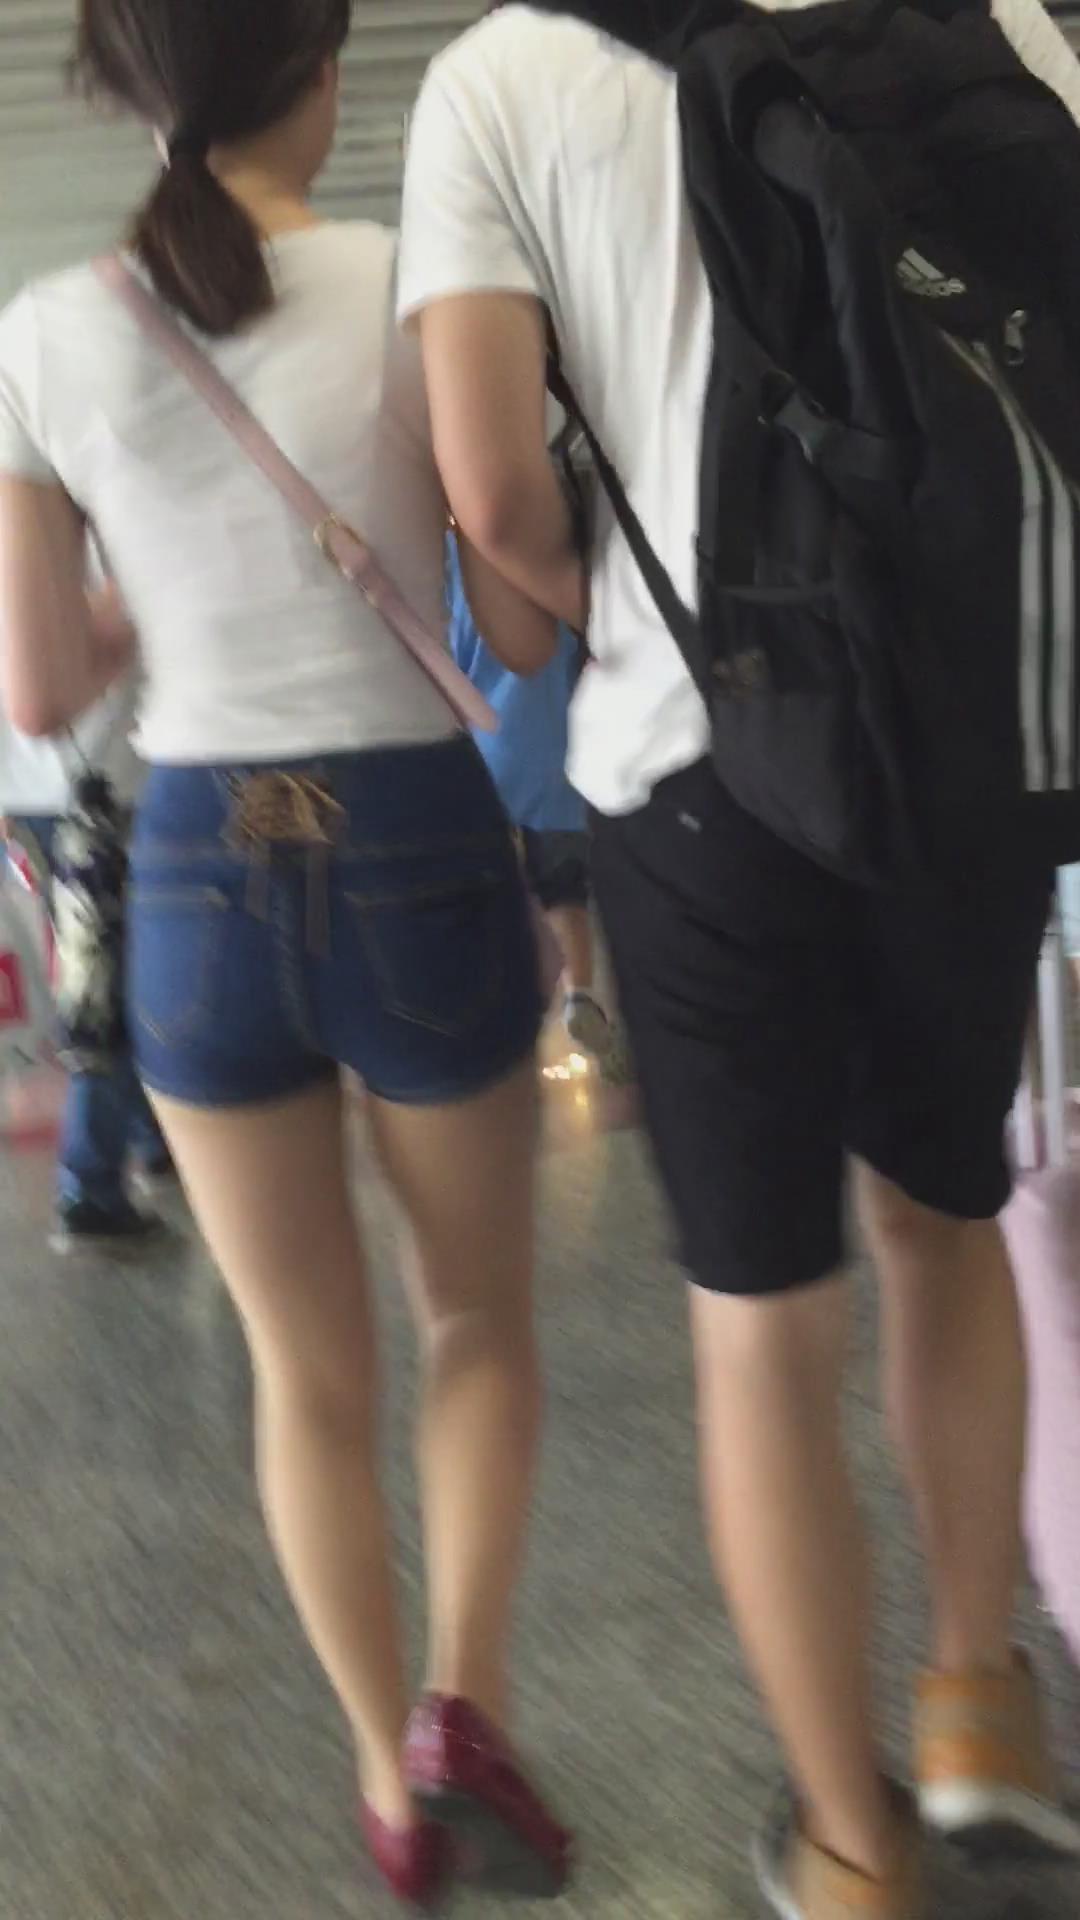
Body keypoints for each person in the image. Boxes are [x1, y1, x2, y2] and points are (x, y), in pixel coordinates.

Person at [396, 3, 1080, 1917]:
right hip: (960, 751)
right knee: (944, 1216)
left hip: (698, 772)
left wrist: (580, 611)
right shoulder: (982, 23)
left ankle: (854, 1846)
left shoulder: (500, 79)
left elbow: (493, 497)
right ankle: (978, 1707)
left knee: (764, 1325)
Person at [0, 0, 570, 1903]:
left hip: (195, 872)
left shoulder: (45, 329)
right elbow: (518, 619)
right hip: (414, 839)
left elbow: (38, 686)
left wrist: (171, 590)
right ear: (322, 77)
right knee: (473, 1322)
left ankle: (384, 1788)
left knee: (304, 1377)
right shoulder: (423, 282)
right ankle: (465, 1707)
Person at [1, 680, 172, 1251]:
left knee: (103, 971)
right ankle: (91, 1187)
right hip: (109, 784)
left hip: (34, 790)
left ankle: (151, 1134)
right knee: (107, 983)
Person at [446, 529, 611, 1055]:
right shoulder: (547, 550)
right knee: (565, 889)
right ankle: (578, 995)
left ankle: (500, 1004)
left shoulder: (449, 566)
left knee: (492, 891)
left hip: (487, 760)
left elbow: (446, 663)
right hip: (559, 759)